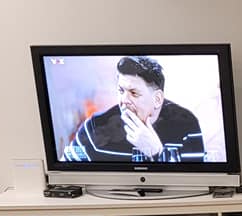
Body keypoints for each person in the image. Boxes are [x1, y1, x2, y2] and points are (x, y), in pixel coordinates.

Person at [63, 56, 205, 163]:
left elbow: (195, 181)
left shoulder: (186, 125)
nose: (124, 100)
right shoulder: (93, 127)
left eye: (134, 93)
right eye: (121, 90)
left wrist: (156, 153)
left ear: (157, 99)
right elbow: (67, 175)